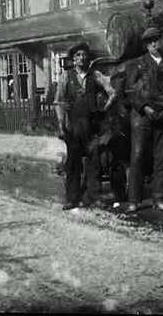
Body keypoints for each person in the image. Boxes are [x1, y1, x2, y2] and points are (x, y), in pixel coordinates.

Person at [123, 26, 163, 213]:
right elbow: (130, 91)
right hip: (141, 118)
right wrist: (144, 107)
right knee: (137, 157)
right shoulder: (136, 64)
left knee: (162, 158)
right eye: (151, 41)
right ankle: (134, 200)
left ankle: (159, 198)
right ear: (146, 45)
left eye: (157, 40)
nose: (155, 44)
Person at [54, 42, 114, 210]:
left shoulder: (95, 76)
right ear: (73, 59)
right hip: (73, 126)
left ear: (88, 58)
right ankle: (72, 198)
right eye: (77, 56)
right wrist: (61, 125)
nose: (81, 58)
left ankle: (93, 197)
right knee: (73, 163)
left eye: (84, 55)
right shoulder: (66, 77)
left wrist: (103, 109)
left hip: (91, 125)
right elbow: (58, 101)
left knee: (94, 162)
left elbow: (112, 93)